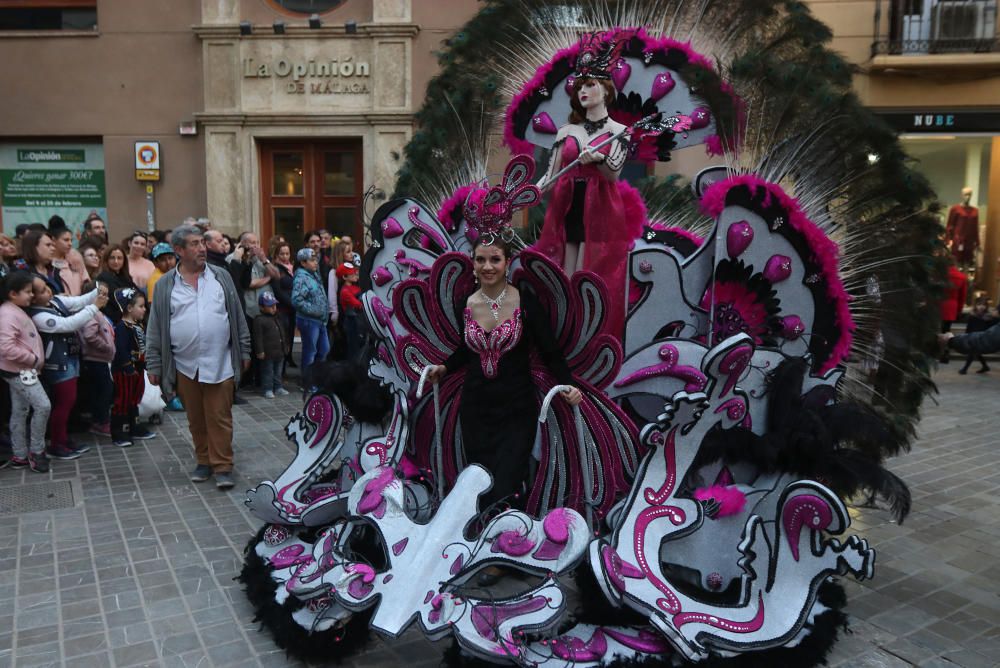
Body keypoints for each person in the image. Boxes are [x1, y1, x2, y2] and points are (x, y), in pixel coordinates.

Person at [426, 238, 583, 514]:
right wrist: (445, 368)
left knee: (507, 483)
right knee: (480, 482)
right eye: (480, 260)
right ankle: (483, 547)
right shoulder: (465, 304)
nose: (488, 266)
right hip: (476, 409)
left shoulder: (525, 302)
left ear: (507, 262)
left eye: (495, 259)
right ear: (473, 264)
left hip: (516, 409)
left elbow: (550, 352)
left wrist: (568, 385)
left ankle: (507, 541)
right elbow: (467, 350)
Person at [533, 57, 641, 337]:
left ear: (606, 90)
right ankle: (566, 335)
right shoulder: (566, 131)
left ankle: (591, 335)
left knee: (591, 272)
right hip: (569, 204)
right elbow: (551, 174)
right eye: (578, 86)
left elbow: (613, 173)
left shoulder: (619, 132)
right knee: (566, 274)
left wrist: (597, 159)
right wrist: (528, 193)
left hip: (601, 207)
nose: (582, 91)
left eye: (589, 85)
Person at [146, 224, 251, 490]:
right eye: (194, 244)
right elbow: (156, 327)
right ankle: (204, 461)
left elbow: (236, 315)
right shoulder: (165, 285)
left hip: (220, 361)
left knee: (219, 416)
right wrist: (154, 363)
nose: (202, 248)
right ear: (179, 250)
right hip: (184, 364)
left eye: (202, 243)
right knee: (196, 417)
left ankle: (223, 465)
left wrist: (245, 347)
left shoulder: (221, 277)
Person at [27, 276, 107, 459]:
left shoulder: (54, 301)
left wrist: (98, 291)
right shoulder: (38, 316)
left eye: (47, 287)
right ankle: (57, 443)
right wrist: (95, 306)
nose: (48, 291)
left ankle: (63, 438)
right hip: (57, 365)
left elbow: (78, 301)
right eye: (41, 291)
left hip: (71, 358)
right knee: (63, 404)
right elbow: (68, 324)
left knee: (69, 402)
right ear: (32, 297)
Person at [0, 272, 52, 472]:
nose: (32, 296)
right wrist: (34, 360)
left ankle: (20, 454)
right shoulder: (8, 314)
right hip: (20, 371)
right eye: (28, 292)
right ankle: (36, 452)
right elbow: (6, 347)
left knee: (20, 411)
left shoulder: (13, 310)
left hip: (19, 370)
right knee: (43, 406)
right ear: (13, 294)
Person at [111, 288, 157, 447]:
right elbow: (120, 349)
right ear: (129, 308)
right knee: (122, 399)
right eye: (141, 306)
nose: (144, 309)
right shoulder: (122, 327)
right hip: (125, 370)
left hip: (137, 367)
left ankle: (134, 426)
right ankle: (119, 432)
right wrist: (127, 366)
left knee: (134, 398)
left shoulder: (137, 325)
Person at [79, 284, 115, 438]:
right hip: (96, 359)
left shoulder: (97, 312)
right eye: (102, 295)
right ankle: (101, 422)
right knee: (104, 391)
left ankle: (99, 420)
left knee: (100, 390)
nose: (105, 298)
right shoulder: (92, 314)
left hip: (98, 359)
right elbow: (89, 335)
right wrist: (106, 347)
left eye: (107, 295)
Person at [292, 247, 330, 396]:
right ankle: (308, 382)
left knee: (324, 349)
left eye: (316, 260)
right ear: (303, 263)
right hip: (309, 320)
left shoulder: (314, 274)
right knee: (310, 351)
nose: (315, 263)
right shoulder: (301, 277)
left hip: (319, 320)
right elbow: (296, 300)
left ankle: (318, 378)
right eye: (312, 260)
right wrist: (314, 310)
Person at [253, 292, 289, 399]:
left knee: (278, 372)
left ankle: (278, 387)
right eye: (270, 306)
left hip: (279, 351)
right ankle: (267, 389)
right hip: (267, 353)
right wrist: (260, 351)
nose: (274, 308)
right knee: (267, 372)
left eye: (275, 305)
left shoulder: (278, 317)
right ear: (261, 307)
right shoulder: (259, 320)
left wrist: (286, 345)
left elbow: (283, 332)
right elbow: (257, 337)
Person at [268, 240, 296, 367]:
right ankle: (282, 366)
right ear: (276, 255)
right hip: (282, 309)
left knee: (290, 335)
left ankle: (289, 358)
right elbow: (278, 291)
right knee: (283, 337)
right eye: (282, 254)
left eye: (287, 254)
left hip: (292, 309)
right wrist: (292, 303)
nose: (285, 257)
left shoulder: (292, 268)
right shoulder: (276, 269)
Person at [95, 245, 136, 322]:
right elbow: (118, 300)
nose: (116, 261)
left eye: (119, 258)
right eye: (112, 258)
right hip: (114, 321)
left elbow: (138, 294)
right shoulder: (103, 277)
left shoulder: (126, 278)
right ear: (106, 260)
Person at [48, 220, 87, 297]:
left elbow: (85, 281)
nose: (70, 244)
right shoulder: (47, 261)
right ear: (53, 240)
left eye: (71, 240)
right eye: (66, 240)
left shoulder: (75, 256)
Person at [20, 230, 64, 295]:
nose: (53, 248)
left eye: (52, 245)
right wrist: (57, 298)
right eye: (48, 245)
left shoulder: (54, 269)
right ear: (34, 248)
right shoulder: (23, 273)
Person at [336, 262, 364, 362]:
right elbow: (358, 305)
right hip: (352, 321)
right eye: (352, 274)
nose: (355, 275)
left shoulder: (354, 287)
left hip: (358, 320)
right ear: (345, 277)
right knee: (353, 347)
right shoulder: (345, 291)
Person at [959, 299, 994, 375]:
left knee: (973, 351)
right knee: (976, 352)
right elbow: (969, 327)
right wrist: (966, 336)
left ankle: (964, 369)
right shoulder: (972, 315)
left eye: (983, 305)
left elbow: (991, 329)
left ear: (986, 306)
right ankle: (985, 366)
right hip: (973, 336)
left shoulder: (988, 317)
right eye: (979, 305)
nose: (981, 307)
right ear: (976, 306)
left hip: (982, 337)